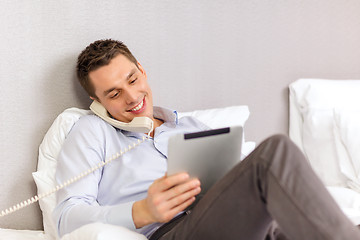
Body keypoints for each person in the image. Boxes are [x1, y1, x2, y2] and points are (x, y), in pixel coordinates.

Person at [53, 39, 360, 240]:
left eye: (132, 79)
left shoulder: (189, 125)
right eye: (114, 93)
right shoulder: (92, 131)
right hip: (174, 232)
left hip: (241, 222)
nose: (133, 97)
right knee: (274, 153)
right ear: (97, 101)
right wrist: (143, 211)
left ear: (142, 71)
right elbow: (66, 219)